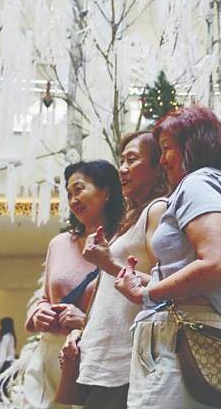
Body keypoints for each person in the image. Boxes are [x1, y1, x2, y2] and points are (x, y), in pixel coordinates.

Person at [114, 106, 221, 409]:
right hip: (194, 338)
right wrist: (148, 282)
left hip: (181, 340)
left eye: (167, 149)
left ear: (193, 145)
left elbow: (218, 263)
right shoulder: (217, 187)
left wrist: (149, 292)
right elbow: (202, 268)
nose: (162, 160)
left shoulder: (197, 184)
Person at [60, 131, 167, 409]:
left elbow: (166, 284)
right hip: (100, 360)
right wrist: (81, 331)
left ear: (158, 167)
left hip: (125, 363)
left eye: (132, 160)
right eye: (121, 161)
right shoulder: (129, 221)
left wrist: (109, 263)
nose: (122, 168)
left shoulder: (157, 210)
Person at [23, 160, 123, 409]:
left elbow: (133, 308)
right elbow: (45, 296)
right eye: (69, 194)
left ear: (107, 191)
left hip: (97, 357)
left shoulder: (124, 243)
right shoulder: (59, 244)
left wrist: (86, 322)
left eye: (79, 189)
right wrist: (38, 313)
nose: (73, 199)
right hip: (50, 353)